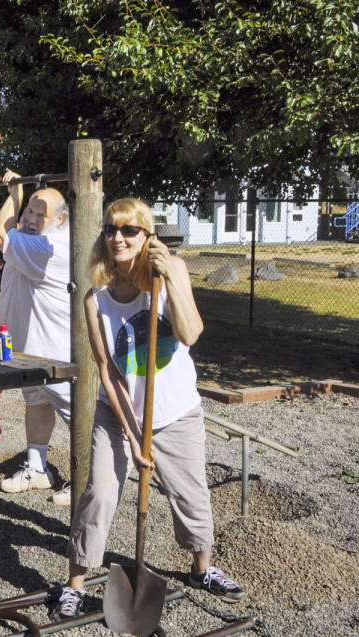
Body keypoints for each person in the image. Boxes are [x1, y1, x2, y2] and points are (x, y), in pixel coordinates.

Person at [52, 198, 245, 621]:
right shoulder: (96, 299)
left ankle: (202, 568)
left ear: (147, 237)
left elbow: (191, 334)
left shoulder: (167, 279)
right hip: (119, 413)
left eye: (129, 230)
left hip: (176, 411)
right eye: (110, 230)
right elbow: (107, 371)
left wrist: (173, 274)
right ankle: (76, 583)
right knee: (99, 491)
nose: (117, 238)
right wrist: (135, 435)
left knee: (191, 492)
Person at [0, 170, 73, 504]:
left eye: (41, 215)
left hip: (57, 351)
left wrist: (14, 193)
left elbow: (4, 234)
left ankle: (88, 479)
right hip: (30, 347)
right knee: (37, 404)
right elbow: (9, 233)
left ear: (61, 220)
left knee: (80, 414)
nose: (31, 218)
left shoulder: (49, 246)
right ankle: (37, 468)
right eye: (28, 209)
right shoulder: (36, 240)